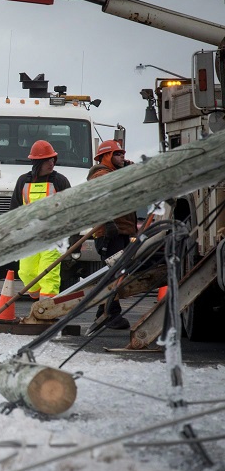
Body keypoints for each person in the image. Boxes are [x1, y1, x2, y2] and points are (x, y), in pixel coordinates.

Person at [10, 140, 72, 300]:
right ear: (37, 162)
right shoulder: (23, 181)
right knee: (26, 271)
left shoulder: (60, 181)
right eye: (47, 160)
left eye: (53, 160)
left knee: (49, 273)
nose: (51, 163)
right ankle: (37, 300)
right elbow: (15, 209)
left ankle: (47, 309)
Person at [87, 140, 137, 330]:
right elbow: (99, 202)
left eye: (123, 153)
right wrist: (108, 223)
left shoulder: (113, 173)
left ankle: (103, 313)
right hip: (110, 233)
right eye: (117, 154)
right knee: (113, 274)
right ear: (106, 156)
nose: (122, 156)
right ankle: (112, 313)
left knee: (115, 273)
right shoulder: (101, 175)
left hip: (121, 231)